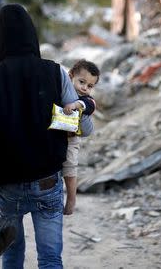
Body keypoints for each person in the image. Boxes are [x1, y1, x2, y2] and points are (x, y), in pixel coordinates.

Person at [0, 4, 93, 268]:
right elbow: (83, 129)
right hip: (47, 182)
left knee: (12, 257)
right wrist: (84, 106)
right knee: (50, 259)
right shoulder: (55, 72)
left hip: (7, 186)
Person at [61, 59, 99, 215]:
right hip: (58, 135)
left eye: (90, 86)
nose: (85, 88)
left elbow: (89, 105)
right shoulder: (62, 90)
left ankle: (71, 199)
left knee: (69, 166)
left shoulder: (86, 100)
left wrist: (75, 105)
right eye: (81, 82)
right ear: (70, 76)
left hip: (71, 138)